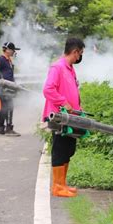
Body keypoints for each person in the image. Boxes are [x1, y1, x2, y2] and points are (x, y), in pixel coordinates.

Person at [42, 37, 85, 198]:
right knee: (60, 149)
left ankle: (63, 184)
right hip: (59, 117)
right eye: (80, 54)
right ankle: (57, 186)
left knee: (69, 149)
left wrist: (78, 108)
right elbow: (48, 90)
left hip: (71, 116)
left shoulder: (70, 68)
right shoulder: (57, 67)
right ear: (75, 52)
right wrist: (64, 102)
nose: (79, 58)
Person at [0, 42, 21, 136]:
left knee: (5, 107)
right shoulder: (1, 59)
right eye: (13, 50)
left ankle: (0, 128)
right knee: (9, 106)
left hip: (8, 87)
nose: (14, 52)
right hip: (2, 87)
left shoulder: (8, 60)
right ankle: (9, 129)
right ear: (7, 50)